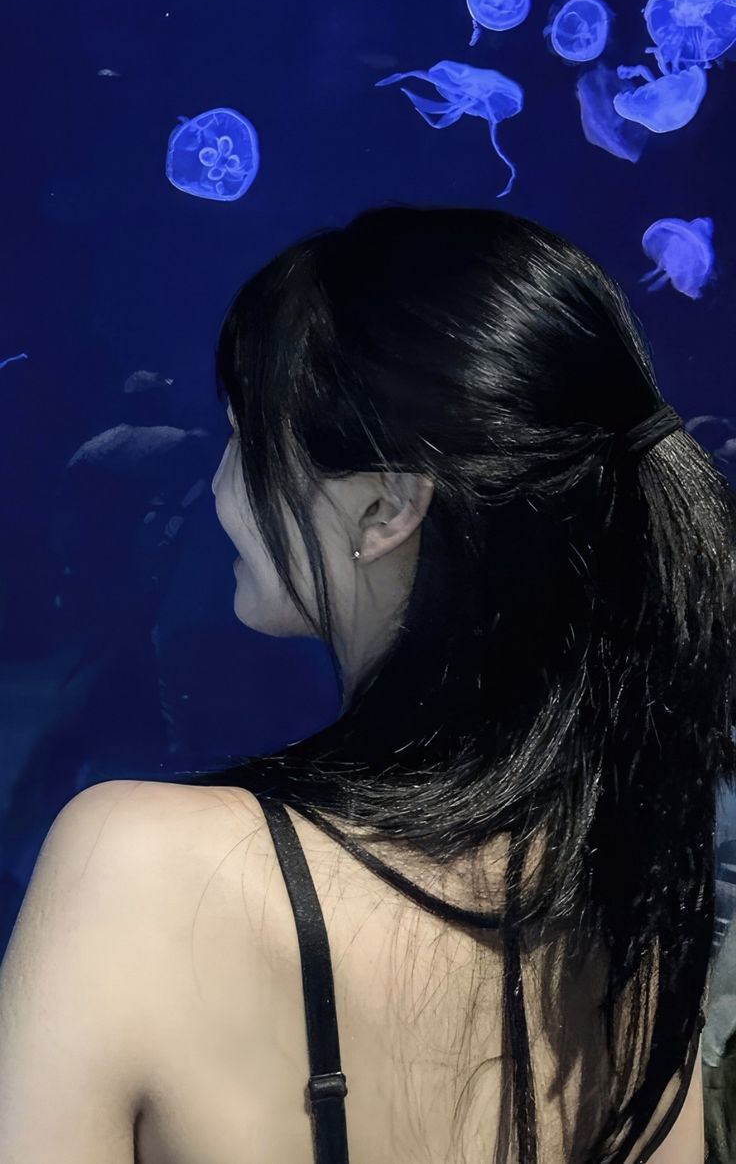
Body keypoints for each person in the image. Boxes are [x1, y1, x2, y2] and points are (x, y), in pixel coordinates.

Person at [1, 203, 734, 1164]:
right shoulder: (636, 907)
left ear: (386, 506)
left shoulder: (135, 867)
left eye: (242, 435)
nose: (222, 484)